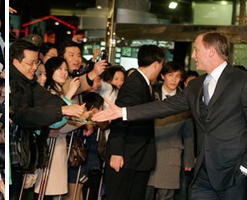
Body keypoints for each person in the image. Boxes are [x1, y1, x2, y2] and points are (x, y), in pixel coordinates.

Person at [93, 31, 247, 200]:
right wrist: (123, 112)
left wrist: (244, 167)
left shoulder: (242, 81)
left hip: (234, 174)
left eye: (196, 50)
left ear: (211, 50)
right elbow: (166, 106)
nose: (193, 55)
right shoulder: (196, 85)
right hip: (203, 173)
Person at [9, 40, 85, 200]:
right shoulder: (10, 82)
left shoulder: (28, 82)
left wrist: (70, 107)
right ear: (15, 62)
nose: (35, 67)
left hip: (22, 153)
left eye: (36, 62)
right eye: (30, 63)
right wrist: (62, 109)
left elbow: (48, 99)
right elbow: (24, 115)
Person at [103, 45, 165, 200]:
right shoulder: (134, 84)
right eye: (161, 65)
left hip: (137, 156)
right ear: (156, 64)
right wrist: (117, 152)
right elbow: (119, 117)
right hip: (126, 156)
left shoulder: (143, 83)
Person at [146, 61, 194, 200]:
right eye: (170, 75)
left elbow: (188, 132)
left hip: (171, 152)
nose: (174, 79)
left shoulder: (185, 99)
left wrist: (189, 160)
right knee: (145, 193)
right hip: (149, 151)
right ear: (162, 76)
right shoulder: (151, 93)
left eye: (178, 76)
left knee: (166, 195)